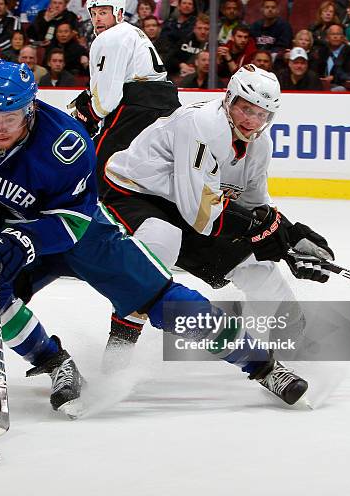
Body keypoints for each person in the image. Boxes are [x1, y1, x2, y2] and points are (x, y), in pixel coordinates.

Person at [0, 60, 311, 414]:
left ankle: (262, 366)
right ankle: (53, 362)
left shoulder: (65, 142)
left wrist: (21, 240)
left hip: (83, 236)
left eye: (10, 118)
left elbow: (74, 220)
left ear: (30, 110)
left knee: (164, 300)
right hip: (19, 234)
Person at [99, 64, 333, 382]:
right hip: (133, 192)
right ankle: (116, 357)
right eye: (245, 108)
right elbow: (201, 215)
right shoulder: (202, 125)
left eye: (261, 114)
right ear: (228, 99)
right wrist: (264, 231)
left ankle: (292, 354)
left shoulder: (259, 147)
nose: (251, 120)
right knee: (159, 244)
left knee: (260, 269)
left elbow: (253, 206)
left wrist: (288, 238)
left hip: (192, 208)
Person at [69, 0, 180, 198]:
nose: (97, 19)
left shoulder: (111, 37)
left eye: (103, 12)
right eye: (93, 14)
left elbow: (106, 102)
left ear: (119, 13)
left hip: (140, 107)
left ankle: (97, 215)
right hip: (167, 106)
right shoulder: (132, 32)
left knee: (100, 166)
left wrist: (89, 113)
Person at [317, 22, 350, 90]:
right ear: (327, 37)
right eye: (332, 34)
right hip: (323, 86)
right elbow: (318, 70)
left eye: (338, 34)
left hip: (342, 87)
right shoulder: (323, 51)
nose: (335, 36)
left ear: (343, 37)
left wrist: (334, 78)